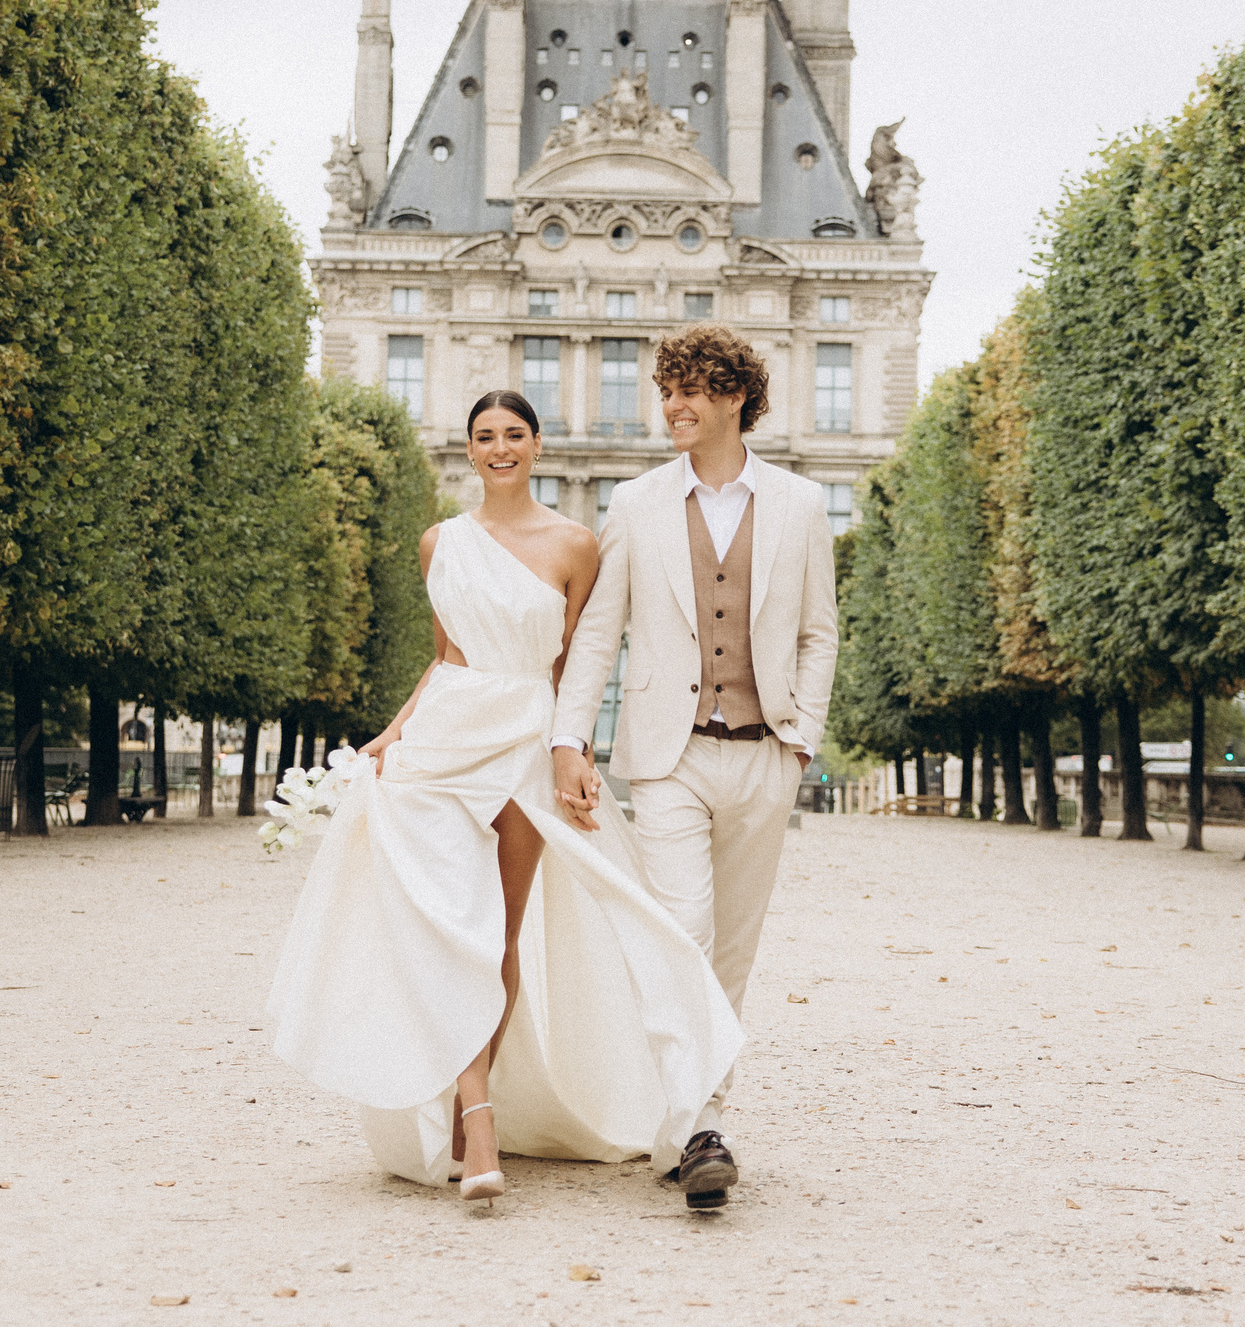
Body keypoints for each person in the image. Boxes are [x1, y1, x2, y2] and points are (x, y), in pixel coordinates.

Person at [268, 390, 741, 1205]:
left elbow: (576, 667)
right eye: (484, 436)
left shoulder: (576, 544)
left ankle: (474, 1104)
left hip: (523, 739)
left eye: (513, 435)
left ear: (536, 445)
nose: (499, 448)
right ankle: (477, 1116)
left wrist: (574, 751)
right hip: (445, 740)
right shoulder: (438, 543)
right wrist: (389, 735)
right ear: (467, 449)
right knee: (448, 927)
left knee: (499, 936)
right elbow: (446, 655)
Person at [549, 323, 840, 1210]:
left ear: (736, 400)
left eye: (690, 390)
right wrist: (570, 737)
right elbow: (598, 631)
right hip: (668, 759)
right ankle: (704, 1128)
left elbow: (818, 632)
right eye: (666, 389)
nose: (672, 405)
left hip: (764, 753)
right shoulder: (637, 503)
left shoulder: (800, 503)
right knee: (684, 932)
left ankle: (686, 1122)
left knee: (734, 951)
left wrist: (804, 738)